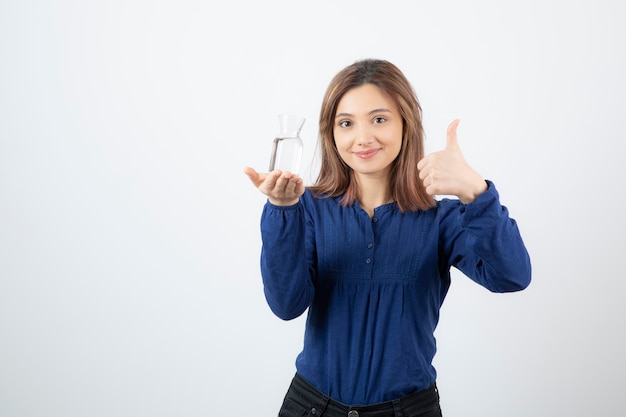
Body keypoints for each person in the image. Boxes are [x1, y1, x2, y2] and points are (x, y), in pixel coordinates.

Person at [244, 58, 531, 417]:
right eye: (346, 123)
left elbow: (512, 277)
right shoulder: (308, 208)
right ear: (331, 133)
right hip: (312, 407)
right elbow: (286, 306)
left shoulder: (440, 218)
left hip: (409, 410)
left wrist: (476, 191)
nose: (363, 138)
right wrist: (282, 209)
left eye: (379, 119)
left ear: (405, 124)